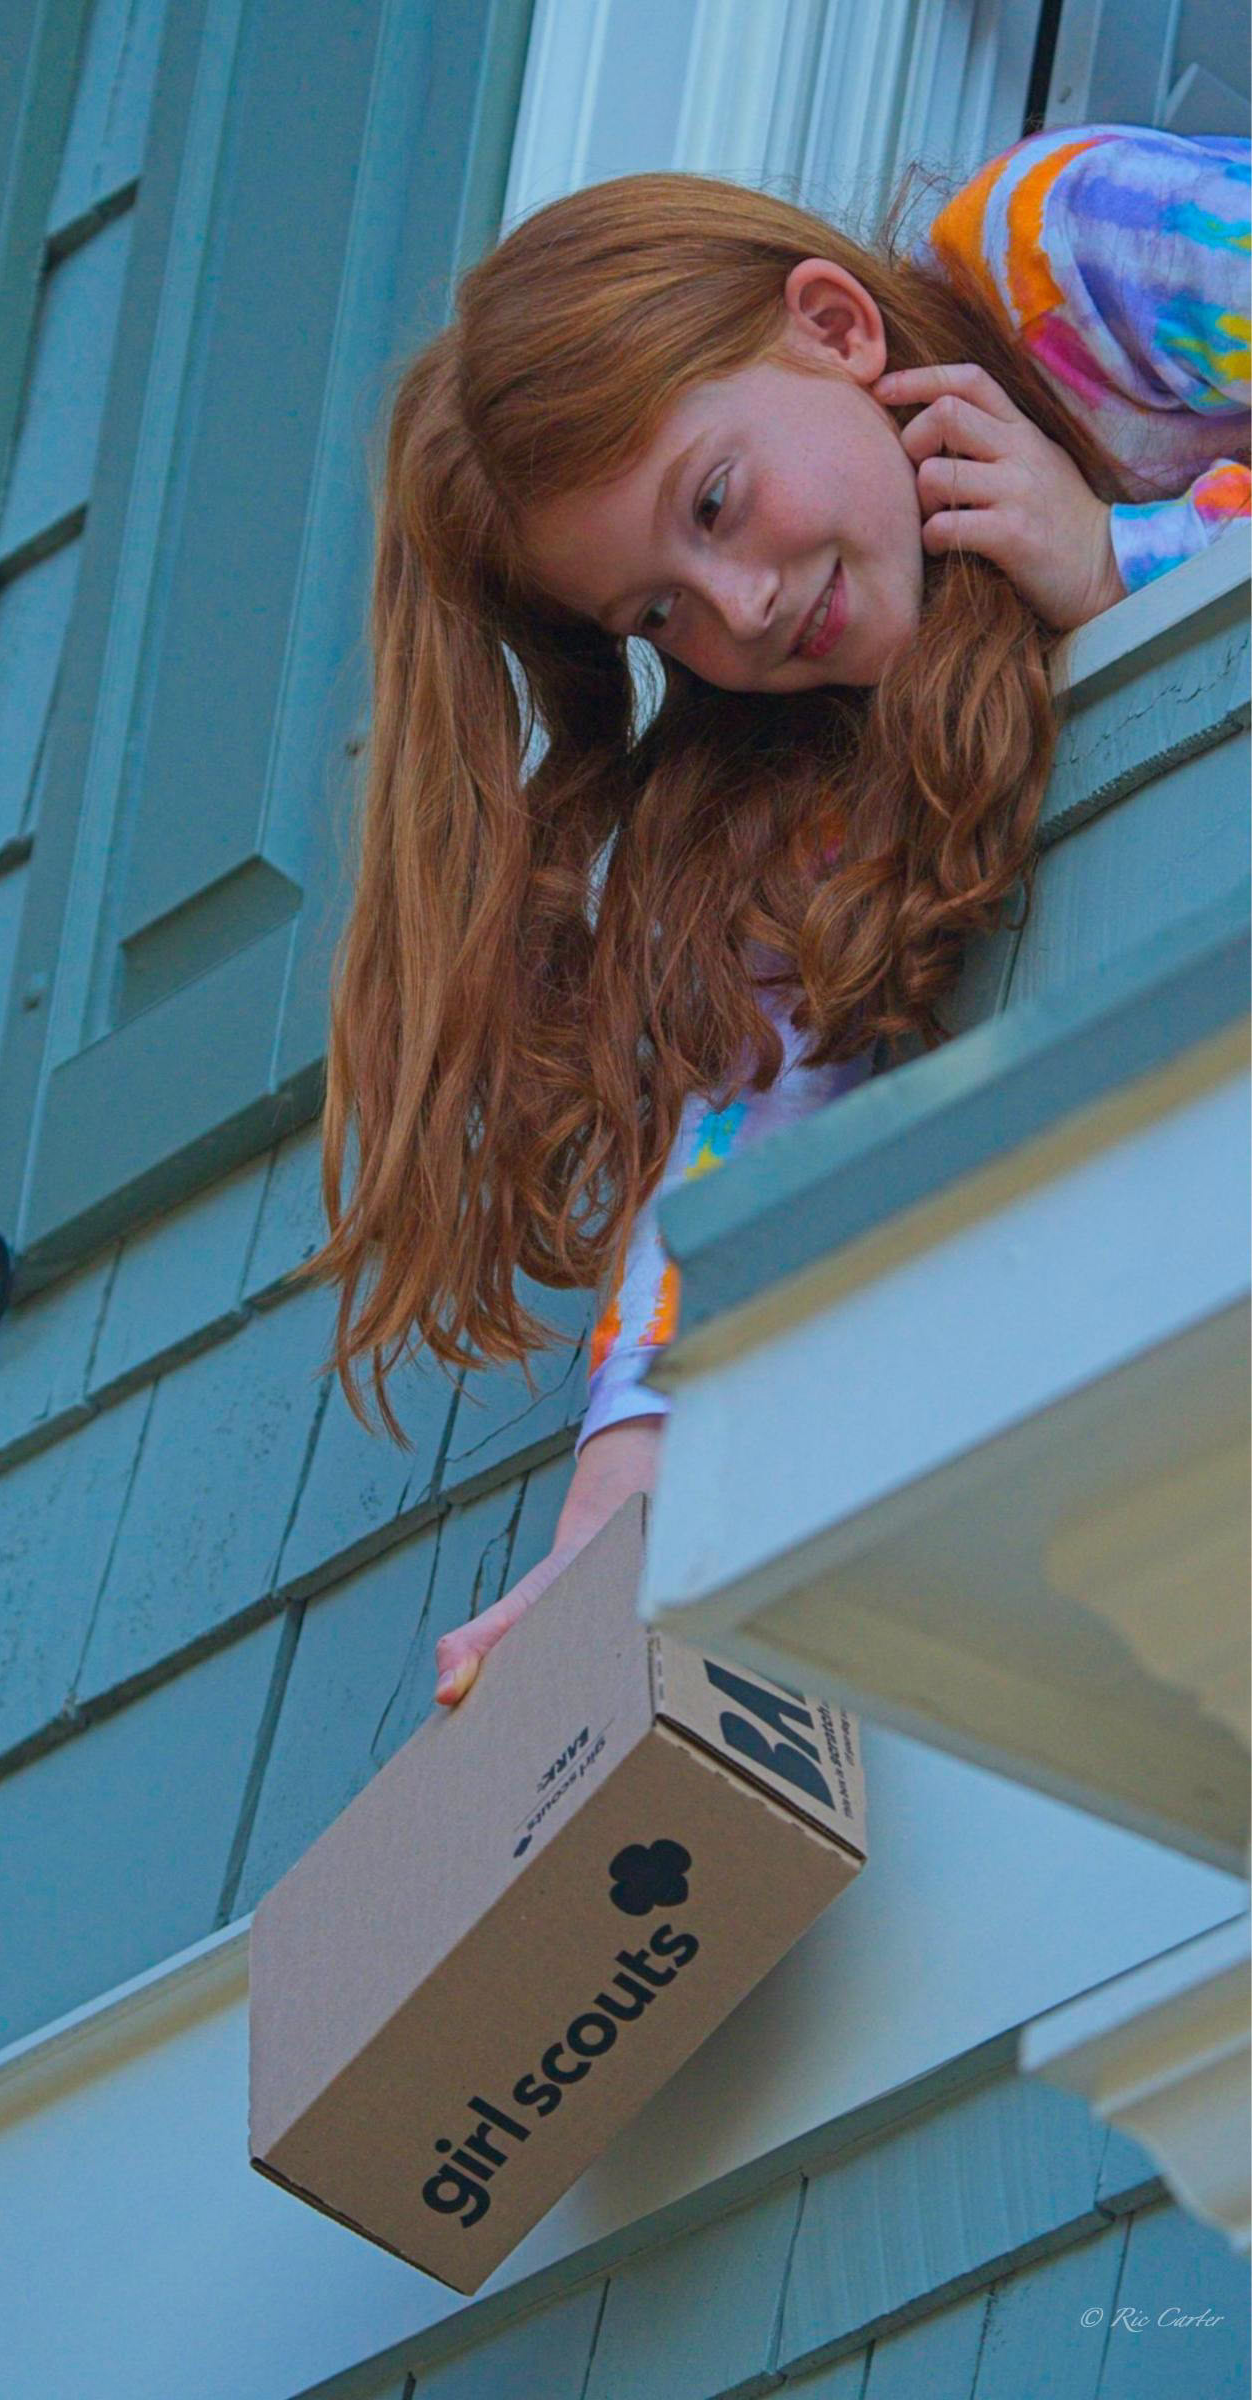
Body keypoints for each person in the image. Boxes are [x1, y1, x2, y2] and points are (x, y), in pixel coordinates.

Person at [308, 119, 1249, 1708]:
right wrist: (611, 1523)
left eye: (716, 499)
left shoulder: (1068, 244)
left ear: (833, 325)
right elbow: (735, 1140)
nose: (736, 611)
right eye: (657, 611)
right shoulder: (816, 767)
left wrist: (1125, 559)